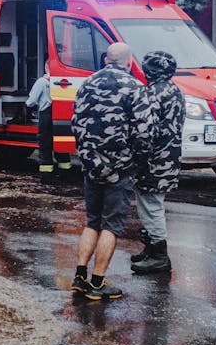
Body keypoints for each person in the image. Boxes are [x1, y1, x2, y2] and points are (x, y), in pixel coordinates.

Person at [69, 42, 153, 301]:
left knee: (92, 222)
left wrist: (88, 156)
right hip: (119, 166)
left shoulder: (86, 84)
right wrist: (137, 162)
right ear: (129, 62)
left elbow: (76, 123)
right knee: (112, 225)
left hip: (91, 165)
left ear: (106, 59)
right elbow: (144, 132)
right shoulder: (135, 87)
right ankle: (97, 282)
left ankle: (80, 277)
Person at [129, 51, 184, 275]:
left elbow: (146, 130)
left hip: (154, 158)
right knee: (152, 203)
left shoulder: (152, 93)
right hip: (170, 155)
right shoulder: (175, 90)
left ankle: (159, 256)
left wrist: (137, 159)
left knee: (150, 205)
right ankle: (151, 249)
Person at [26, 61, 70, 183]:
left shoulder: (42, 82)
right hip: (59, 115)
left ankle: (47, 178)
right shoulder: (62, 82)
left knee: (45, 146)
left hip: (45, 115)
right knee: (60, 146)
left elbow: (31, 101)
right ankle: (66, 175)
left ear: (46, 67)